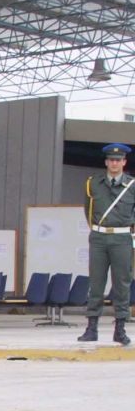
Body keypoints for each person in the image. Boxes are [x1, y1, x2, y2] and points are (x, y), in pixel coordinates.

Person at [77, 143, 134, 346]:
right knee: (96, 284)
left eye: (118, 160)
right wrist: (97, 230)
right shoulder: (93, 183)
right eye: (111, 160)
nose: (114, 163)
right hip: (99, 238)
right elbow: (88, 211)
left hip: (122, 238)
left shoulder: (132, 185)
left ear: (124, 162)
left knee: (122, 284)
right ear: (106, 162)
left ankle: (120, 329)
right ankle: (91, 328)